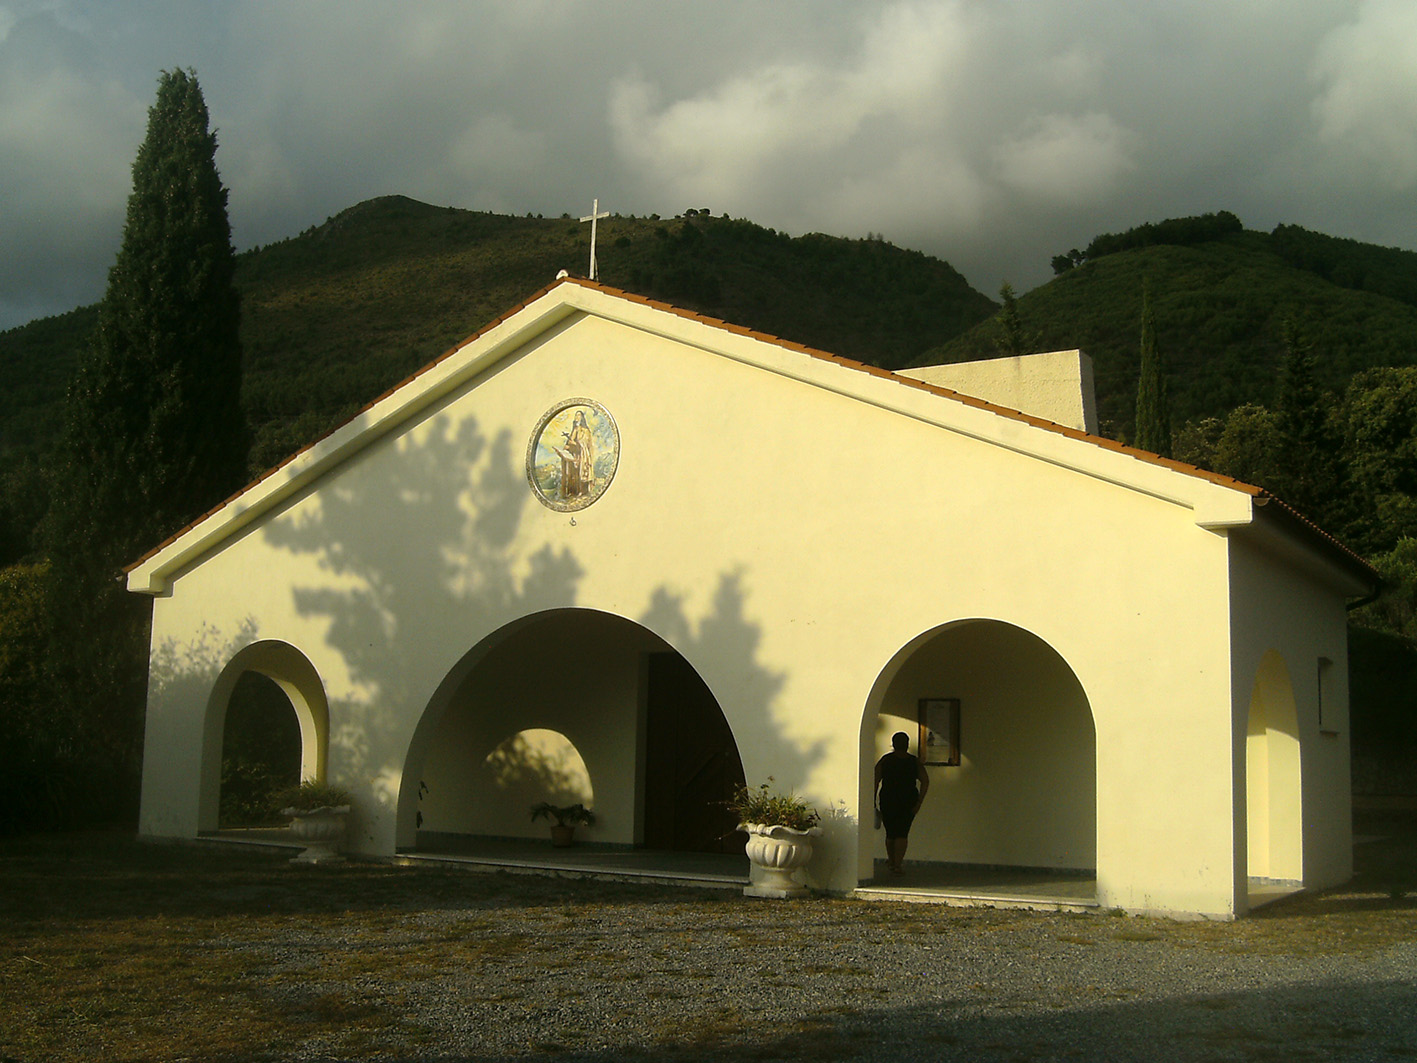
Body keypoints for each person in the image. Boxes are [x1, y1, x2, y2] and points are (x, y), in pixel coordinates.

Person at [874, 731, 929, 875]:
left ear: (893, 744)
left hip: (888, 799)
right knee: (902, 833)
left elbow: (875, 780)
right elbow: (925, 781)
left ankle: (891, 861)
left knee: (890, 833)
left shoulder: (886, 760)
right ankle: (897, 864)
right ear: (907, 744)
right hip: (908, 800)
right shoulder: (913, 761)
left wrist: (873, 801)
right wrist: (919, 801)